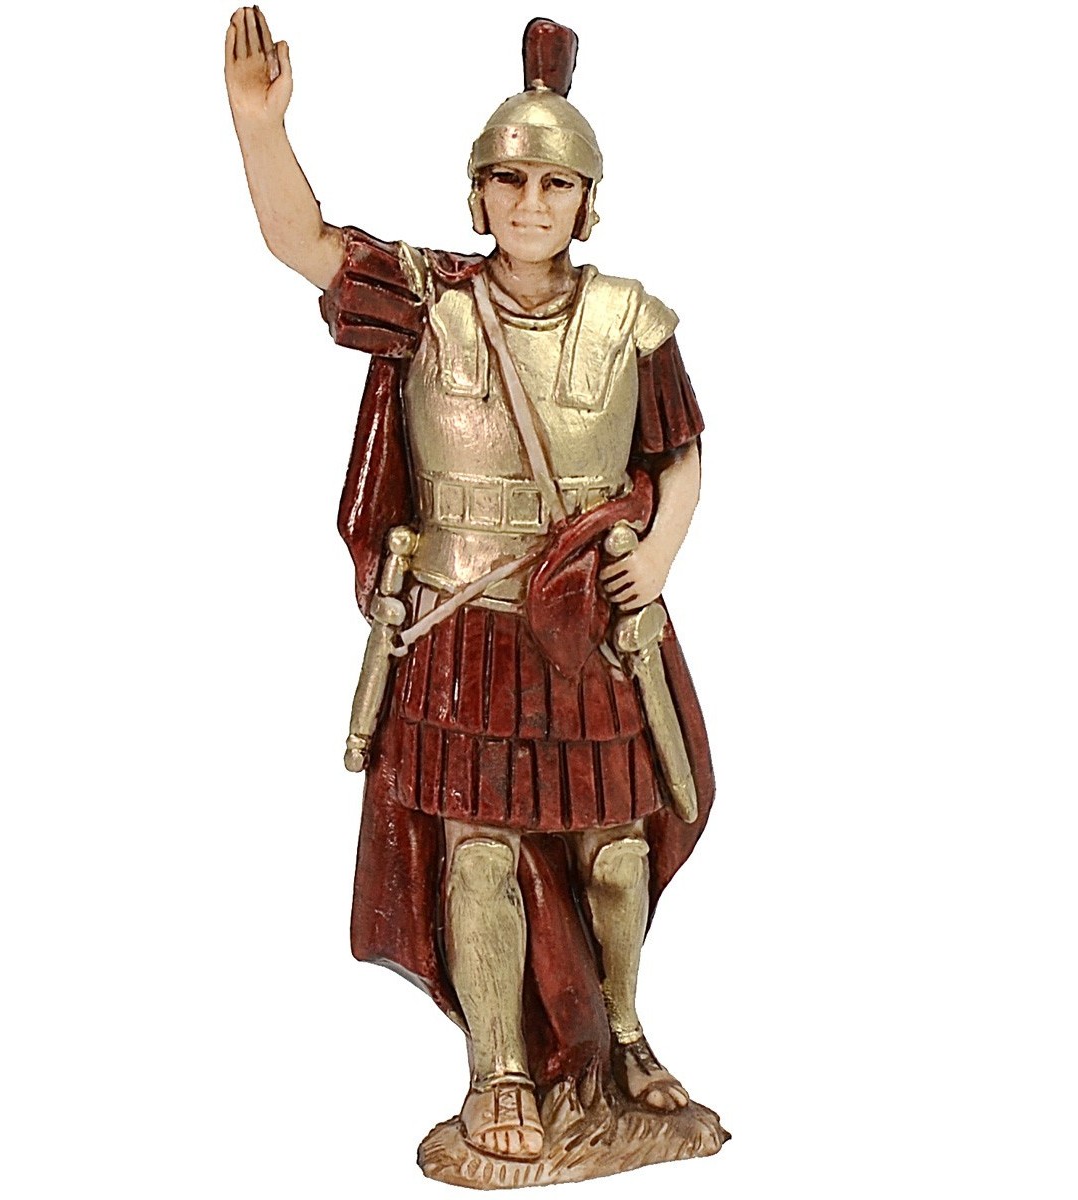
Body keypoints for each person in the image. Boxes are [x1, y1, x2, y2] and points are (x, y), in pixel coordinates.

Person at [226, 8, 718, 1169]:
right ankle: (499, 1070)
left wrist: (657, 555)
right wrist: (259, 127)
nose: (530, 203)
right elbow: (302, 243)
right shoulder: (428, 301)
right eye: (509, 179)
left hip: (591, 628)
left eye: (555, 183)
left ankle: (623, 1038)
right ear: (479, 193)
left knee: (616, 849)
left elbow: (679, 453)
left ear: (586, 203)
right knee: (481, 852)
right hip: (463, 625)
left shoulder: (631, 319)